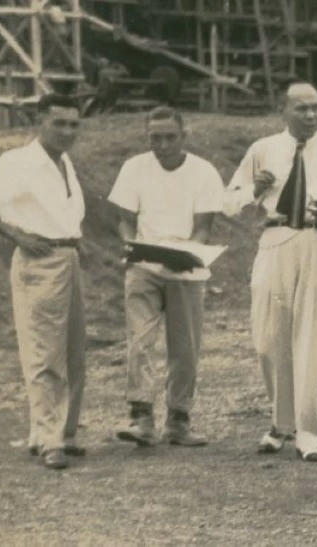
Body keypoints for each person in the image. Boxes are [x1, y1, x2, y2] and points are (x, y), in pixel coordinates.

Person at [224, 81, 317, 463]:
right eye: (302, 109)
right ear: (283, 110)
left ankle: (308, 433)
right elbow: (230, 203)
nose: (310, 115)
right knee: (269, 338)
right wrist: (253, 191)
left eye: (315, 108)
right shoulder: (262, 150)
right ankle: (280, 424)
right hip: (276, 242)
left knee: (314, 338)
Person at [0, 93, 88, 470]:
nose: (67, 131)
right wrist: (14, 235)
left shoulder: (63, 161)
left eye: (73, 124)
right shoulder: (20, 161)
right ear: (39, 122)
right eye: (58, 123)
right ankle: (49, 440)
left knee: (73, 352)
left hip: (68, 255)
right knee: (45, 353)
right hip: (40, 259)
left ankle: (61, 433)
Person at [108, 106, 224, 448]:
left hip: (185, 268)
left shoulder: (203, 172)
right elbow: (125, 219)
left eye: (170, 137)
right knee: (140, 339)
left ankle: (179, 420)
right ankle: (141, 416)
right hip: (144, 265)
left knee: (185, 346)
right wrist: (131, 246)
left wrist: (186, 254)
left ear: (184, 136)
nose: (162, 145)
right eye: (154, 138)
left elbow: (203, 228)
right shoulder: (134, 168)